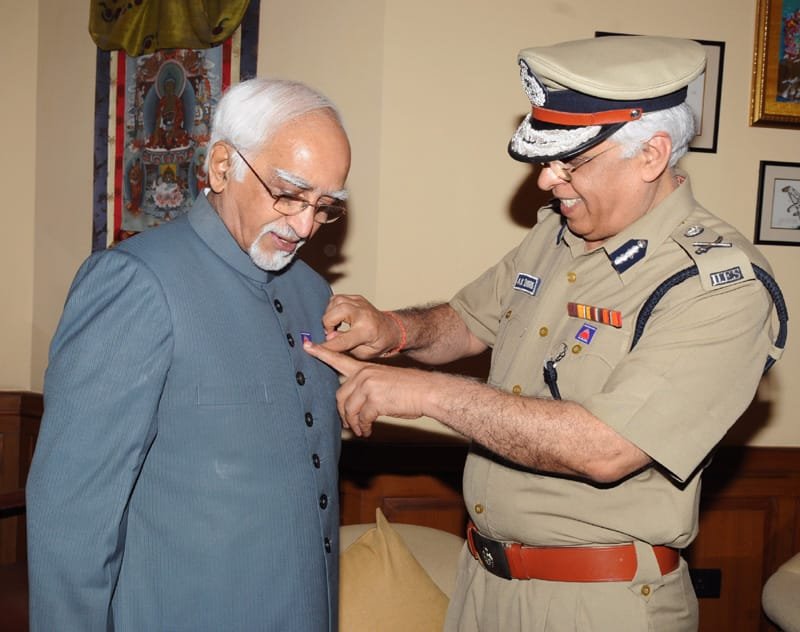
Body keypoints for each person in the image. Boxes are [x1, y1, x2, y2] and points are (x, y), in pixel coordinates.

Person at [304, 35, 786, 631]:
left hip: (596, 605)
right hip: (485, 583)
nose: (547, 181)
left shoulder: (718, 285)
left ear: (651, 155)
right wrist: (394, 329)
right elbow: (469, 321)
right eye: (544, 160)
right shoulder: (562, 233)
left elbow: (607, 448)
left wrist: (424, 394)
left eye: (572, 162)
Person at [26, 78, 351, 631]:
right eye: (290, 194)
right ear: (222, 166)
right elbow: (71, 518)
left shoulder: (315, 295)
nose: (303, 227)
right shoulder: (136, 283)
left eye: (324, 208)